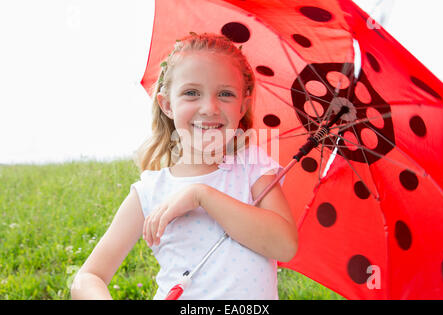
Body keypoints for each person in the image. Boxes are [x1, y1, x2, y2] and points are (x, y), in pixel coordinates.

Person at [71, 32, 297, 300]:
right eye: (191, 93)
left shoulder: (253, 168)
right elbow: (88, 277)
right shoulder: (152, 191)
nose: (209, 107)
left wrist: (201, 195)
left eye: (225, 93)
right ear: (167, 104)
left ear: (242, 105)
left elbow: (284, 246)